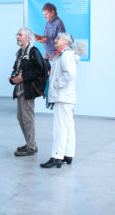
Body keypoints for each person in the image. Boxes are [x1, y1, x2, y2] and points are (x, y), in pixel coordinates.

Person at [40, 33, 79, 169]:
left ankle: (57, 156)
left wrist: (57, 85)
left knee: (59, 128)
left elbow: (69, 74)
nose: (55, 40)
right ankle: (67, 154)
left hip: (63, 96)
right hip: (66, 97)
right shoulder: (63, 54)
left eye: (58, 39)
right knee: (68, 126)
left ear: (66, 41)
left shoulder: (66, 55)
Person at [9, 28, 45, 156]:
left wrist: (23, 77)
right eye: (17, 34)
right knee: (20, 117)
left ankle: (31, 146)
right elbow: (16, 68)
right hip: (20, 89)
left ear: (28, 38)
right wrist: (14, 78)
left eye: (20, 35)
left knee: (27, 118)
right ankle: (30, 143)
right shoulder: (20, 52)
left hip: (28, 90)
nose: (17, 37)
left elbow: (40, 69)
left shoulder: (33, 51)